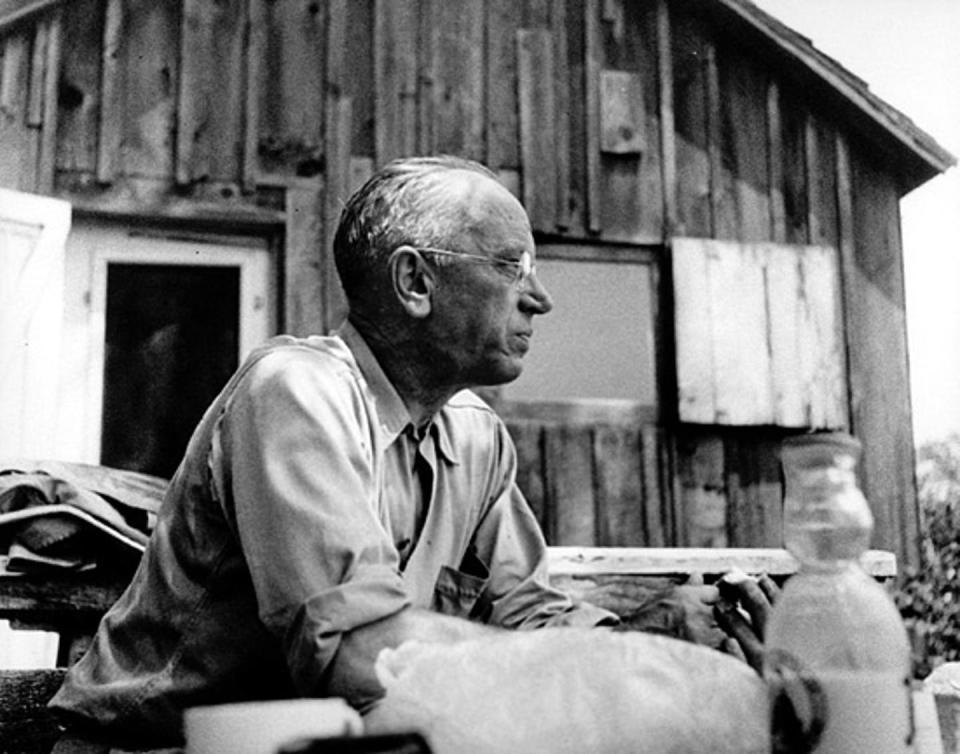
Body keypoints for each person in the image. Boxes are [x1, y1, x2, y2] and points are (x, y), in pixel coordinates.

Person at [49, 156, 764, 750]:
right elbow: (357, 656)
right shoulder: (295, 392)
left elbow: (528, 619)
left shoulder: (475, 437)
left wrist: (658, 628)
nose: (539, 299)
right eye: (512, 267)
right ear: (416, 281)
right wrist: (635, 670)